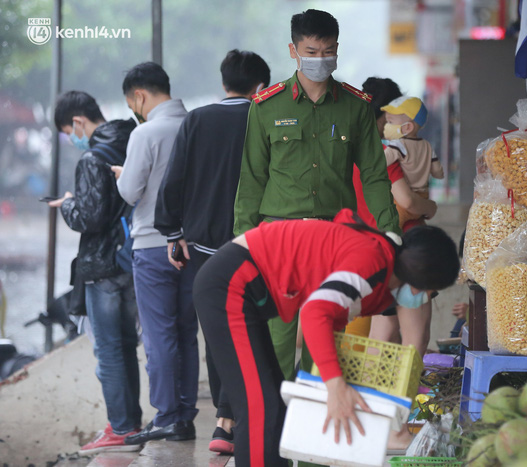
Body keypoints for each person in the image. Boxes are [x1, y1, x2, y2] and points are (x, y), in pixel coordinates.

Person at [194, 209, 460, 467]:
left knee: (273, 407)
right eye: (430, 291)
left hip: (244, 289)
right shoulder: (372, 261)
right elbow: (314, 313)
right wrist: (335, 385)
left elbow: (328, 319)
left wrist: (338, 379)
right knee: (259, 410)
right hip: (230, 283)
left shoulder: (378, 266)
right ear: (418, 279)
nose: (425, 299)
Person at [232, 9, 400, 383]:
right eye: (311, 51)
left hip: (334, 240)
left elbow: (375, 176)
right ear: (293, 50)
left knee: (325, 340)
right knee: (275, 340)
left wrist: (391, 234)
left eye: (327, 52)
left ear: (337, 49)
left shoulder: (356, 106)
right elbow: (252, 179)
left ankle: (313, 431)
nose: (319, 60)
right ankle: (271, 427)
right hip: (278, 240)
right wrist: (241, 242)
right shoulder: (267, 107)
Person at [154, 49, 271, 454]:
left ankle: (225, 427)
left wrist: (172, 232)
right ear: (261, 86)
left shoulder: (198, 119)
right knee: (257, 329)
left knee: (217, 332)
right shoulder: (265, 117)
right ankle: (245, 416)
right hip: (257, 246)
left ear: (224, 84)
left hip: (204, 247)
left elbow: (176, 179)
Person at [50, 91, 142, 454]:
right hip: (130, 260)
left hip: (102, 267)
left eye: (67, 132)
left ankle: (121, 426)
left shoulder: (91, 158)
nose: (71, 139)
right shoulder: (131, 140)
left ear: (77, 123)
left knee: (109, 349)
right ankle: (128, 423)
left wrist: (69, 204)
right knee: (126, 345)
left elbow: (89, 217)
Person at [113, 62, 199, 445]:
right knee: (186, 332)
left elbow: (131, 192)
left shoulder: (145, 132)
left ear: (139, 96)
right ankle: (186, 415)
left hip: (152, 244)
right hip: (194, 246)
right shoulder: (197, 126)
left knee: (158, 334)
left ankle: (167, 416)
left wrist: (121, 176)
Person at [347, 77, 437, 340]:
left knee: (381, 334)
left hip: (366, 251)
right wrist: (430, 207)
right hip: (406, 247)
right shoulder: (387, 153)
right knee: (414, 336)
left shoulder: (347, 153)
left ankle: (377, 382)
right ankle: (408, 382)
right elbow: (407, 201)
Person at [381, 96, 445, 228]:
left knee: (390, 226)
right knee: (419, 226)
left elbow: (381, 162)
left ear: (407, 127)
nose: (386, 126)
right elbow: (438, 171)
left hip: (405, 202)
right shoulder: (427, 146)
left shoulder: (398, 145)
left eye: (390, 122)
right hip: (423, 198)